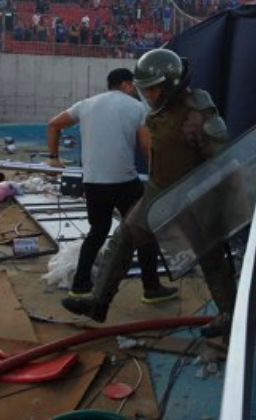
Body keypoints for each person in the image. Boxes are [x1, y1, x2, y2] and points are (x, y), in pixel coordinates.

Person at [62, 48, 236, 338]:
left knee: (211, 255)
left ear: (172, 84)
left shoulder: (197, 110)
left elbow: (221, 159)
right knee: (122, 239)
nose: (149, 95)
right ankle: (97, 303)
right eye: (145, 89)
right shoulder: (158, 110)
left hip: (192, 193)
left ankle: (228, 315)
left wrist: (213, 202)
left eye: (154, 88)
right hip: (158, 191)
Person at [46, 68, 176, 302]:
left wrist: (53, 157)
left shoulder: (85, 105)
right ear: (127, 85)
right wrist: (159, 177)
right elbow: (146, 149)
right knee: (145, 233)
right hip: (124, 181)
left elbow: (53, 124)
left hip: (93, 182)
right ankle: (151, 287)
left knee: (97, 232)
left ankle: (80, 285)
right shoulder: (136, 107)